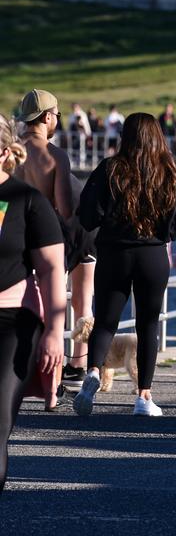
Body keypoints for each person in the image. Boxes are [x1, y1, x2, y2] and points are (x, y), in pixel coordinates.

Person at [74, 113, 176, 418]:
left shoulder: (110, 169)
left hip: (114, 253)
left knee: (105, 321)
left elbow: (86, 214)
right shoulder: (169, 172)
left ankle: (93, 374)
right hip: (152, 256)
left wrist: (107, 227)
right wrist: (162, 234)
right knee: (148, 325)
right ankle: (143, 396)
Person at [15, 90, 97, 391]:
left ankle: (25, 366)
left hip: (17, 237)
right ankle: (70, 367)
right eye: (57, 116)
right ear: (48, 117)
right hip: (55, 238)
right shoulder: (55, 156)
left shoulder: (10, 153)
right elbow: (64, 209)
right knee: (67, 302)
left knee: (24, 304)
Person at [0, 115, 65, 492]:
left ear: (5, 153)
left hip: (13, 322)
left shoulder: (27, 201)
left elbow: (52, 268)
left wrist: (55, 331)